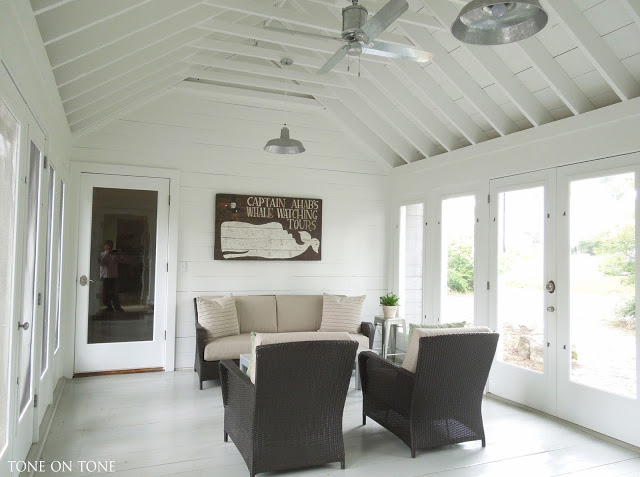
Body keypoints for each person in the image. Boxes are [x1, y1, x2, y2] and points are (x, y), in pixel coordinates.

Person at [99, 240, 124, 312]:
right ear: (105, 246)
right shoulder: (102, 254)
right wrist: (107, 253)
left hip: (113, 277)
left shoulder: (115, 255)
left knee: (114, 293)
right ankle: (108, 306)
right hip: (105, 277)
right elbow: (101, 263)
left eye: (111, 245)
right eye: (108, 245)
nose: (109, 247)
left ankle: (117, 307)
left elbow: (122, 260)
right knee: (105, 293)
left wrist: (120, 253)